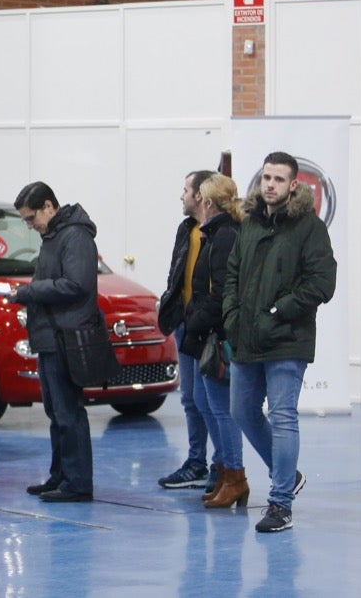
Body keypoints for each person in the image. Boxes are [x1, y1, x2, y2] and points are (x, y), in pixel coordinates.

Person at [224, 151, 336, 533]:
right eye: (265, 178)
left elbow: (322, 283)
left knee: (283, 415)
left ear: (293, 186)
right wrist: (232, 317)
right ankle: (287, 473)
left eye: (278, 179)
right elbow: (233, 274)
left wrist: (279, 312)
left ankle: (280, 503)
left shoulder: (309, 228)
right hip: (246, 337)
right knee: (241, 411)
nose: (269, 184)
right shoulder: (250, 224)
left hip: (288, 338)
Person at [4, 181, 98, 502]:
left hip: (66, 338)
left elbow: (76, 284)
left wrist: (27, 293)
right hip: (50, 338)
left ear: (49, 206)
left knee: (68, 412)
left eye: (32, 219)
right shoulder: (53, 237)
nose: (30, 226)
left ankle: (77, 483)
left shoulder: (75, 237)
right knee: (56, 413)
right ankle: (60, 475)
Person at [180, 173, 247, 508]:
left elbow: (220, 291)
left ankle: (234, 476)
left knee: (221, 410)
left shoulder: (223, 236)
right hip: (205, 330)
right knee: (207, 405)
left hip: (216, 334)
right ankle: (224, 475)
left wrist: (195, 318)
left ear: (207, 201)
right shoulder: (214, 233)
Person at [156, 169, 217, 491]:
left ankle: (224, 466)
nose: (181, 196)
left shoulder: (222, 232)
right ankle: (197, 463)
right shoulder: (186, 229)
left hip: (209, 328)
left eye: (185, 190)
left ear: (200, 195)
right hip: (185, 325)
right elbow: (177, 275)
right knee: (191, 399)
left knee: (213, 403)